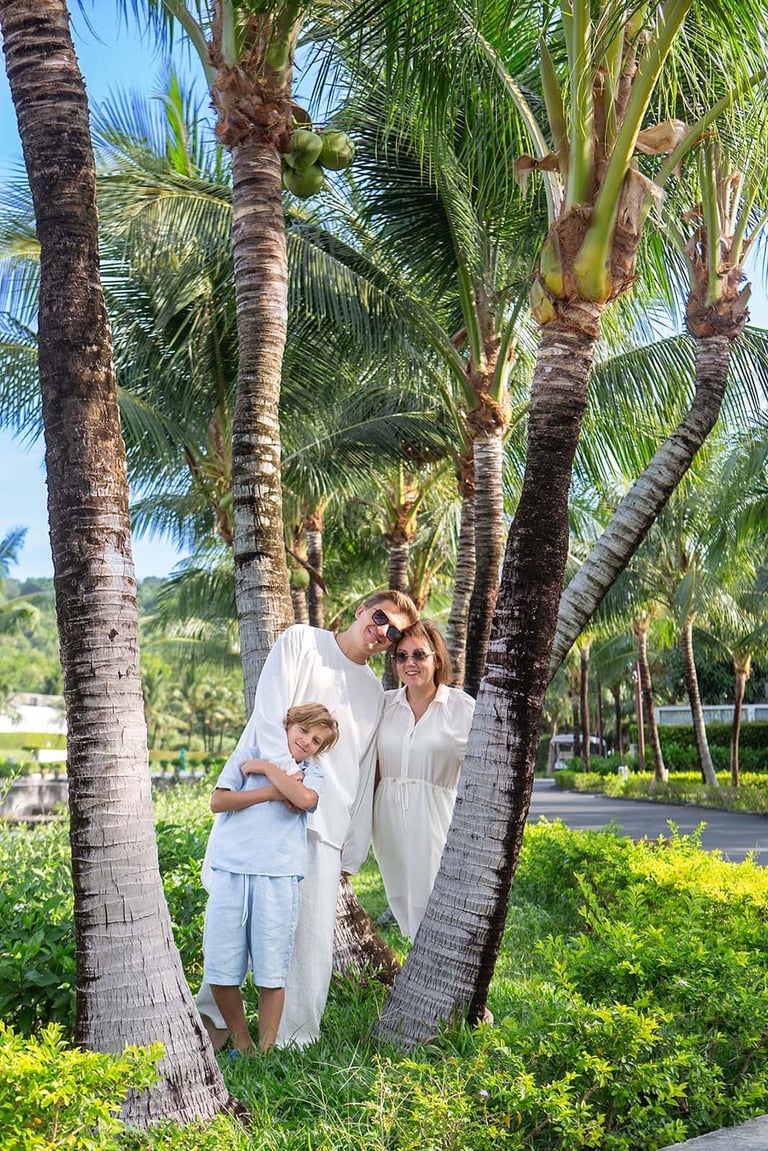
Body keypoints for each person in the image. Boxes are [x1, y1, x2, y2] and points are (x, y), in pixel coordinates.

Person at [196, 589, 418, 1048]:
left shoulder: (374, 692)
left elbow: (360, 769)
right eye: (380, 618)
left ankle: (291, 1042)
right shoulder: (301, 642)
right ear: (361, 609)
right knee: (235, 921)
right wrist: (289, 790)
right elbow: (267, 717)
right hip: (263, 810)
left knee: (308, 941)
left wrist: (351, 848)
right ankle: (213, 1030)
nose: (382, 633)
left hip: (324, 823)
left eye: (393, 633)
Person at [201, 702, 339, 1052]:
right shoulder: (247, 753)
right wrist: (273, 790)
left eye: (317, 740)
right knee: (219, 970)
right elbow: (218, 802)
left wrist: (265, 769)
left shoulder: (312, 771)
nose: (308, 742)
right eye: (304, 732)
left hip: (277, 877)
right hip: (232, 872)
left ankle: (265, 1053)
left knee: (271, 971)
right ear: (289, 725)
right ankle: (243, 1042)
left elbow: (305, 799)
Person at [372, 620, 475, 939]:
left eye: (419, 654)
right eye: (401, 656)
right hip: (387, 821)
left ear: (438, 659)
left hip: (436, 818)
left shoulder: (461, 707)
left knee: (436, 904)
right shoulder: (384, 704)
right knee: (402, 900)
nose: (410, 663)